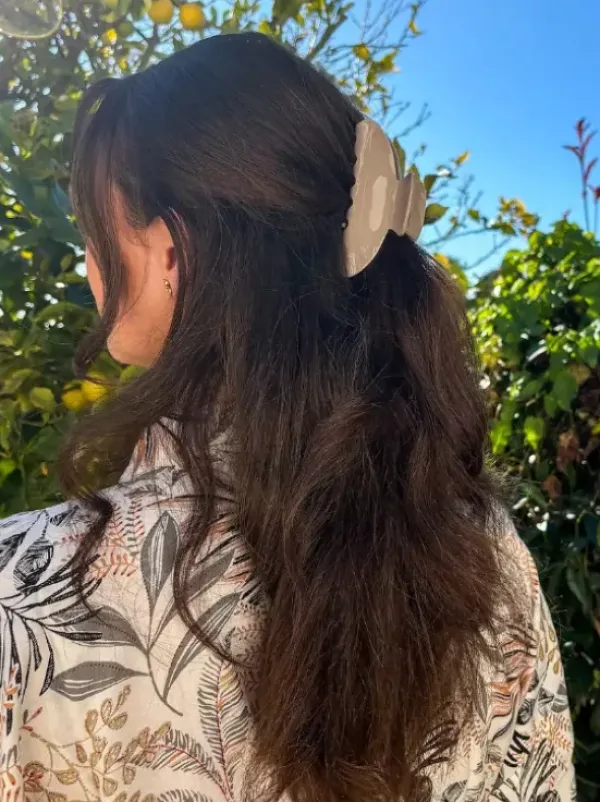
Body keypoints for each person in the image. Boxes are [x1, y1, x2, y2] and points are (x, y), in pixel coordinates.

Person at [0, 32, 575, 802]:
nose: (87, 263)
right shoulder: (489, 552)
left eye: (94, 232)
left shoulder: (26, 589)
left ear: (172, 253)